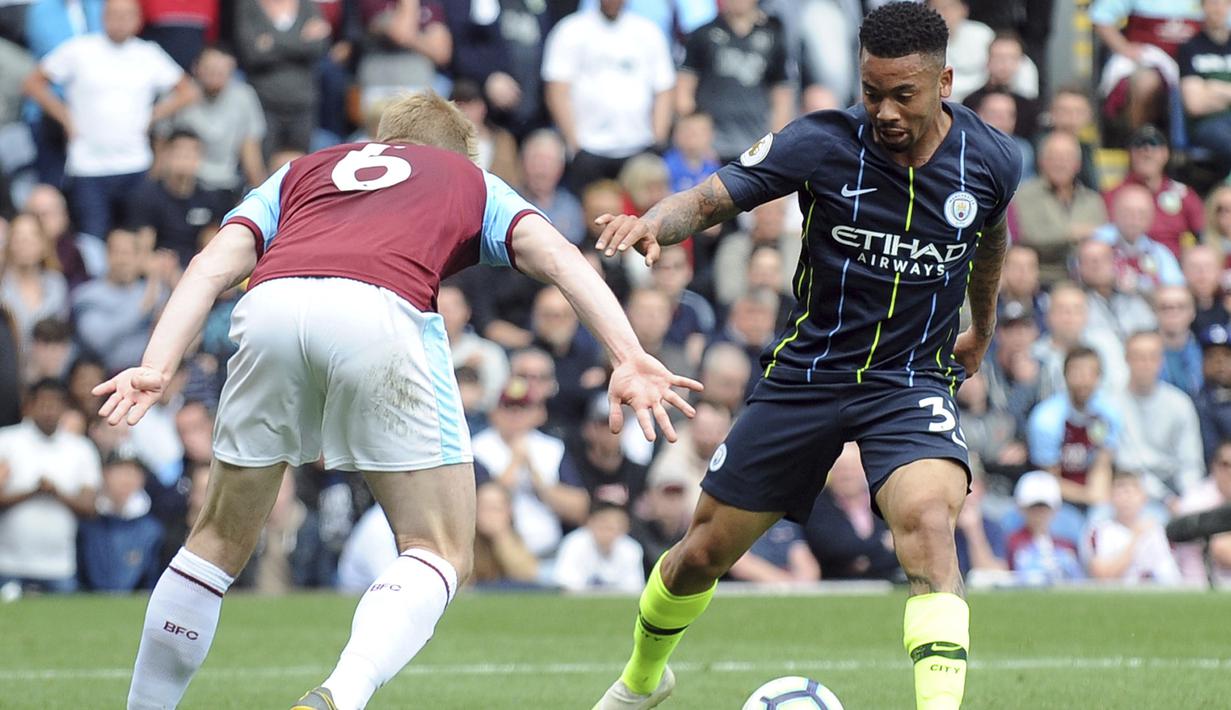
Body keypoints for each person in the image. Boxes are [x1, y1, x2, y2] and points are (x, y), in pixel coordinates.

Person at [93, 93, 699, 710]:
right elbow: (561, 258)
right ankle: (340, 695)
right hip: (380, 308)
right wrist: (627, 353)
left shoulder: (302, 169)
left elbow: (209, 265)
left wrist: (155, 364)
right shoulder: (470, 178)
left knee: (215, 541)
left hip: (269, 304)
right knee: (438, 548)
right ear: (459, 151)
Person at [589, 4, 1022, 708]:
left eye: (902, 95)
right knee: (700, 554)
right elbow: (708, 199)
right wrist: (652, 223)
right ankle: (640, 681)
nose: (882, 110)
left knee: (928, 527)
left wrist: (982, 326)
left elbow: (990, 242)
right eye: (870, 90)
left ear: (943, 81)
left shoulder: (993, 159)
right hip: (808, 375)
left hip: (907, 379)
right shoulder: (820, 142)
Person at [22, 0, 197, 240]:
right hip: (88, 165)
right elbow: (33, 83)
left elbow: (187, 90)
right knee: (91, 239)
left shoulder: (147, 53)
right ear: (103, 17)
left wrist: (154, 115)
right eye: (114, 15)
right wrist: (64, 116)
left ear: (138, 20)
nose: (120, 21)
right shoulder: (79, 49)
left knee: (135, 238)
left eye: (127, 15)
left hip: (135, 163)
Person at [542, 0, 674, 194]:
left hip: (639, 146)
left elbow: (664, 89)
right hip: (588, 148)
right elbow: (556, 90)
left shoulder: (648, 31)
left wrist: (657, 141)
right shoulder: (571, 29)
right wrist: (574, 144)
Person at [0, 378, 100, 593]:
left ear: (64, 407)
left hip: (59, 567)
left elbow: (90, 507)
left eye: (55, 404)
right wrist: (33, 491)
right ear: (29, 406)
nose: (49, 411)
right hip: (8, 563)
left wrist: (56, 492)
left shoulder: (80, 448)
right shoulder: (6, 442)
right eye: (43, 404)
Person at [676, 0, 793, 163]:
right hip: (711, 149)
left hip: (756, 146)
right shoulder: (702, 34)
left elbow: (782, 96)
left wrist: (775, 144)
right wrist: (697, 140)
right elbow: (684, 92)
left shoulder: (773, 35)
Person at [1111, 331, 1204, 507]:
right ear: (1126, 359)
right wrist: (1167, 499)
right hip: (1135, 493)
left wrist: (1188, 499)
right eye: (1139, 357)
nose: (1146, 364)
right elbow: (1127, 465)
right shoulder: (1112, 405)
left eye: (1152, 357)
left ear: (1161, 361)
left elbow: (1191, 462)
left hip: (1179, 489)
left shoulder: (1180, 403)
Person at [1027, 347, 1121, 512]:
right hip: (1056, 499)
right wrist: (1089, 497)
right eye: (1077, 372)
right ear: (1065, 375)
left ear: (1099, 377)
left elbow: (1102, 464)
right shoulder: (1046, 419)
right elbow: (1049, 477)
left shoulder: (1108, 413)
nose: (1084, 380)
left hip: (1094, 492)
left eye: (1091, 373)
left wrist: (1098, 500)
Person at [234, 0, 331, 156]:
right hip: (264, 101)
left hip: (303, 100)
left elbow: (318, 47)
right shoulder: (248, 5)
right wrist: (300, 41)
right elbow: (252, 54)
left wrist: (272, 43)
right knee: (265, 169)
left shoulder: (307, 5)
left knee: (300, 168)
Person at [1011, 131, 1107, 286]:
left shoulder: (1092, 200)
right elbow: (1029, 236)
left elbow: (1102, 238)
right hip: (1041, 279)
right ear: (1041, 161)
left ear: (1078, 164)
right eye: (1054, 157)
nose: (1060, 163)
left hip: (1086, 281)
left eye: (1067, 157)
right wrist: (1072, 233)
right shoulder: (1024, 195)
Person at [171, 45, 268, 197]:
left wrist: (261, 195)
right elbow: (162, 143)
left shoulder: (244, 96)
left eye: (222, 71)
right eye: (210, 69)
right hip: (184, 185)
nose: (215, 75)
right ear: (196, 68)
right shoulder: (180, 94)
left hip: (227, 183)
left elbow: (251, 150)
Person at [129, 130, 232, 269]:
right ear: (166, 156)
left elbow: (213, 246)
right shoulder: (148, 196)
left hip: (198, 269)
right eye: (179, 153)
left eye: (191, 154)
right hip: (160, 269)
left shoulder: (210, 198)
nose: (185, 159)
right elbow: (143, 251)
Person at [802, 443, 902, 582]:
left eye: (853, 468)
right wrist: (883, 544)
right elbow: (833, 548)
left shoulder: (884, 500)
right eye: (841, 469)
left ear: (864, 470)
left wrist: (863, 559)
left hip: (887, 584)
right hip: (835, 587)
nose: (847, 475)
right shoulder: (816, 505)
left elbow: (903, 546)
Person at [1102, 125, 1204, 258]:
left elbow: (1205, 235)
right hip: (1127, 267)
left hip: (1174, 272)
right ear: (1130, 154)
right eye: (1139, 145)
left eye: (1155, 144)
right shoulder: (1113, 195)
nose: (1147, 151)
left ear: (1166, 154)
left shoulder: (1183, 194)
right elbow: (1102, 238)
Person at [76, 454, 164, 591]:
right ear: (105, 475)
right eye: (119, 472)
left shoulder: (152, 530)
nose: (125, 480)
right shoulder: (89, 525)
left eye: (132, 473)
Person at [1082, 470, 1182, 585]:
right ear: (1111, 497)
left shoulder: (1155, 531)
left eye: (1131, 493)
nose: (1126, 499)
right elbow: (1102, 574)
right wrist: (1135, 538)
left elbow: (1170, 575)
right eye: (1120, 493)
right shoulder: (1099, 531)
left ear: (1143, 498)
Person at [1005, 470, 1084, 585]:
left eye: (1044, 508)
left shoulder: (1066, 545)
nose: (1039, 514)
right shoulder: (1011, 543)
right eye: (1033, 508)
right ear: (1021, 509)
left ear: (1055, 510)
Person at [1179, 0, 1231, 172]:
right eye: (1213, 3)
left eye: (1224, 3)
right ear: (1202, 6)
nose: (1218, 8)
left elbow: (1202, 97)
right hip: (1208, 125)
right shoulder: (1190, 47)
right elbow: (1194, 104)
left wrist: (1213, 88)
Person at [553, 501, 646, 592]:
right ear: (590, 522)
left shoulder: (631, 549)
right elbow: (567, 587)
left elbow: (634, 590)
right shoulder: (574, 543)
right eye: (603, 523)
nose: (607, 531)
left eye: (614, 526)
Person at [1075, 238, 1156, 342]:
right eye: (1089, 260)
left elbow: (1151, 327)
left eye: (1103, 259)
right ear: (1079, 267)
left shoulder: (1132, 295)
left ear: (1114, 263)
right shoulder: (1075, 301)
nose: (1097, 265)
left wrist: (1138, 289)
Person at [1174, 439, 1231, 585]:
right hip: (1196, 585)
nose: (1230, 471)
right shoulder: (1197, 500)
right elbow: (1222, 550)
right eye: (1225, 464)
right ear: (1214, 466)